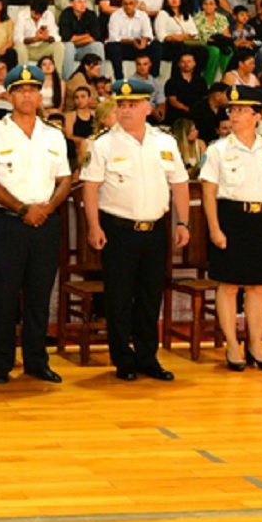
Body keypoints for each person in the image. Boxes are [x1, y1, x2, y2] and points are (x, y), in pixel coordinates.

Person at [83, 79, 192, 382]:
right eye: (121, 105)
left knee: (150, 296)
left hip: (155, 229)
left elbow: (179, 184)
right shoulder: (103, 144)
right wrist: (94, 226)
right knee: (119, 297)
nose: (126, 110)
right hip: (119, 229)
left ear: (148, 108)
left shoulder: (165, 142)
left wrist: (183, 222)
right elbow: (90, 188)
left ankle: (147, 357)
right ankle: (123, 359)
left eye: (132, 105)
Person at [0, 64, 73, 384]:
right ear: (10, 95)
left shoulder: (53, 134)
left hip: (46, 222)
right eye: (20, 90)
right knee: (5, 295)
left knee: (39, 295)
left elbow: (65, 178)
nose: (27, 95)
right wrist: (21, 209)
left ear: (40, 95)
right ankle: (2, 364)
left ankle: (36, 361)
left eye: (33, 90)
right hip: (8, 224)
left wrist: (48, 208)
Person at [199, 86, 262, 372]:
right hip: (231, 218)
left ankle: (255, 345)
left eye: (241, 110)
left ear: (257, 116)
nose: (235, 114)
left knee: (256, 285)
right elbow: (208, 193)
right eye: (232, 109)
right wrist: (214, 229)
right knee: (228, 285)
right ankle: (231, 345)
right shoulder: (218, 150)